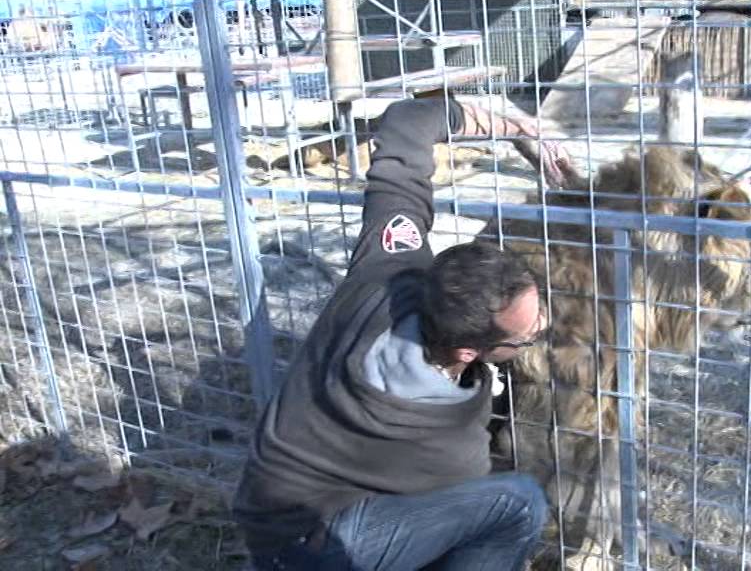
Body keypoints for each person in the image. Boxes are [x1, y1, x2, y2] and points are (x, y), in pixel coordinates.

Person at [233, 94, 568, 570]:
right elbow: (474, 491)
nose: (543, 326)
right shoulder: (446, 443)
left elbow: (407, 120)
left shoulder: (388, 267)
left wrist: (515, 127)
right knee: (516, 502)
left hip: (272, 506)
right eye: (526, 337)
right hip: (307, 547)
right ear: (471, 351)